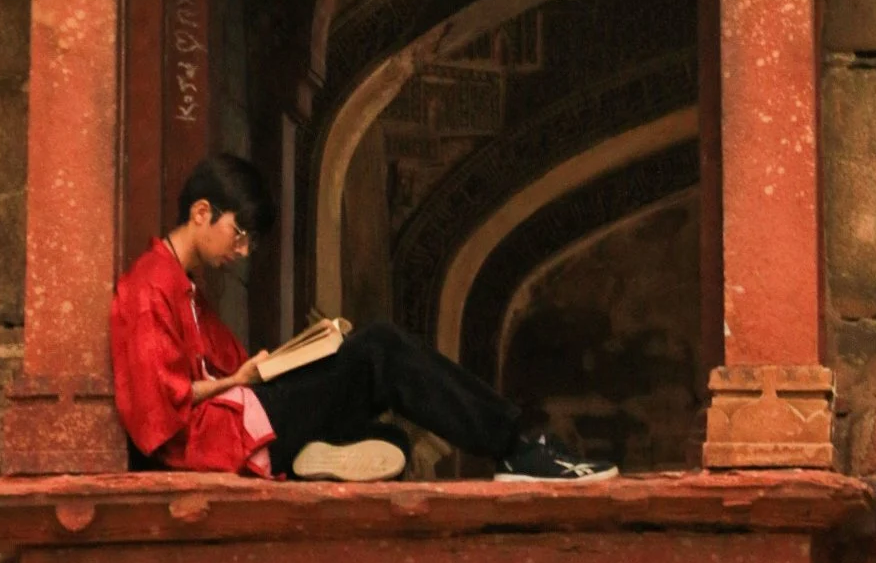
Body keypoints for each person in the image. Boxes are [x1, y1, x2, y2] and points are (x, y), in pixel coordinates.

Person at [111, 153, 618, 484]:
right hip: (217, 440)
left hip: (247, 420)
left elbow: (230, 373)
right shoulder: (149, 286)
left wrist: (282, 362)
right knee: (380, 349)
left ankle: (313, 456)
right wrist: (238, 380)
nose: (241, 251)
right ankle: (517, 448)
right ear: (202, 212)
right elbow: (157, 409)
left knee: (390, 438)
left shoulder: (190, 289)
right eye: (238, 234)